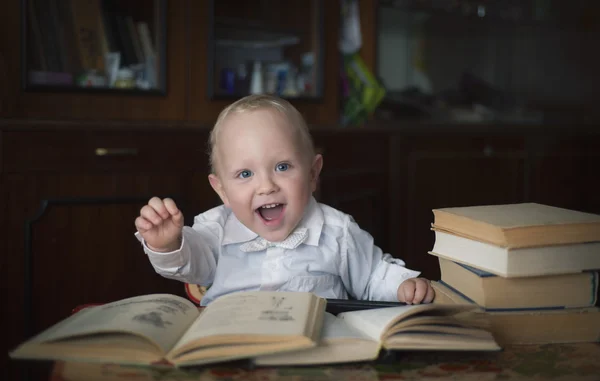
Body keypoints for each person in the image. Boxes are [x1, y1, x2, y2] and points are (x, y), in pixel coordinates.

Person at [135, 94, 435, 306]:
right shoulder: (215, 230)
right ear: (222, 190)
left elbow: (372, 276)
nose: (266, 186)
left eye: (282, 167)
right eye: (244, 174)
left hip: (313, 348)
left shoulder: (337, 231)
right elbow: (189, 263)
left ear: (313, 173)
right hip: (233, 343)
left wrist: (401, 286)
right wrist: (167, 245)